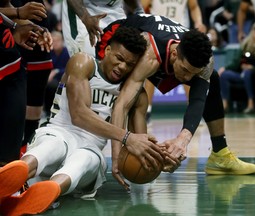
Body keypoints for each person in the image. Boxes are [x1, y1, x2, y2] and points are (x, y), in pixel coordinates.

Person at [0, 26, 156, 215]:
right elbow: (80, 115)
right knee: (52, 146)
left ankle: (47, 192)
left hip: (90, 149)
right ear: (107, 51)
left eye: (130, 64)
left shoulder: (136, 95)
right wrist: (126, 136)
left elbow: (139, 143)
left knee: (84, 159)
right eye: (119, 58)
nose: (122, 67)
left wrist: (160, 160)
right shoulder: (83, 63)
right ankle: (18, 174)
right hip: (59, 131)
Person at [96, 14, 255, 190]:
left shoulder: (205, 60)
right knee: (136, 97)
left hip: (159, 49)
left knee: (212, 79)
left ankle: (220, 154)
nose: (187, 78)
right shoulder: (149, 53)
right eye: (185, 70)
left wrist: (182, 141)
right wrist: (116, 156)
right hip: (118, 39)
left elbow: (197, 99)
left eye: (193, 73)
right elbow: (122, 105)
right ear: (175, 54)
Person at [0, 5, 52, 167]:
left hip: (11, 63)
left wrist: (16, 27)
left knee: (8, 155)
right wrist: (17, 13)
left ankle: (9, 173)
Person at [140, 0, 207, 123]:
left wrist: (198, 22)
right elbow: (141, 8)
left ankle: (193, 111)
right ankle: (147, 110)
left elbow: (194, 7)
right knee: (151, 71)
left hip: (180, 32)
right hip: (159, 32)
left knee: (188, 73)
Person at [62, 0, 144, 57]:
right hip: (83, 11)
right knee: (85, 61)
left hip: (113, 9)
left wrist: (140, 13)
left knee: (122, 54)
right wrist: (85, 18)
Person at [218, 23, 255, 113]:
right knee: (224, 75)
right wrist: (225, 68)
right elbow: (236, 61)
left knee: (247, 73)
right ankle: (224, 104)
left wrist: (252, 67)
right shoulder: (245, 45)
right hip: (242, 73)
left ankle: (251, 103)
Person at [43, 30, 70, 118]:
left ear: (62, 41)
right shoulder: (50, 52)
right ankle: (46, 110)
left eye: (57, 41)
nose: (55, 43)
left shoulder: (67, 53)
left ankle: (54, 109)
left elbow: (68, 69)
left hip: (64, 79)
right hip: (50, 78)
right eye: (53, 41)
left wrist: (56, 71)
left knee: (52, 85)